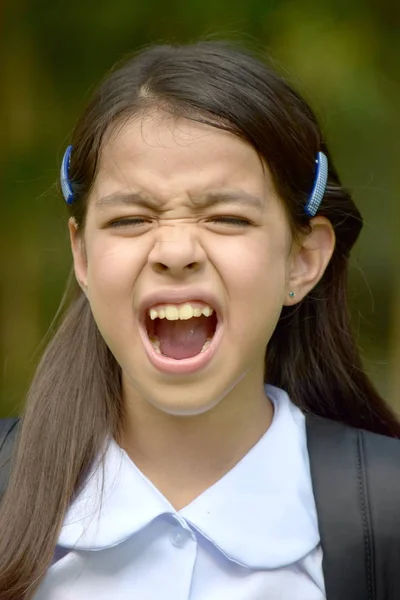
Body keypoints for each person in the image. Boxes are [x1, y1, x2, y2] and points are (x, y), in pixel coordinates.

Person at [0, 40, 399, 600]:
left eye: (227, 217)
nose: (176, 249)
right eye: (132, 218)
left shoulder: (386, 512)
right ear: (83, 257)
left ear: (302, 258)